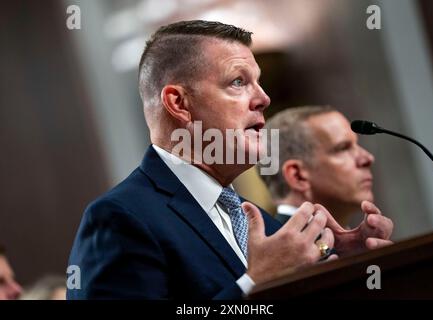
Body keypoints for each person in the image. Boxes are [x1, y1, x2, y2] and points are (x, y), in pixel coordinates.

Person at [67, 20, 393, 300]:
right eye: (238, 82)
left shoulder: (265, 226)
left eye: (258, 82)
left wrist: (341, 266)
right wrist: (255, 283)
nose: (263, 98)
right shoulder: (119, 219)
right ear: (178, 102)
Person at [259, 106, 378, 227]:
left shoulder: (357, 243)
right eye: (343, 148)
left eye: (356, 145)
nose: (368, 158)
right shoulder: (283, 245)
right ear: (297, 176)